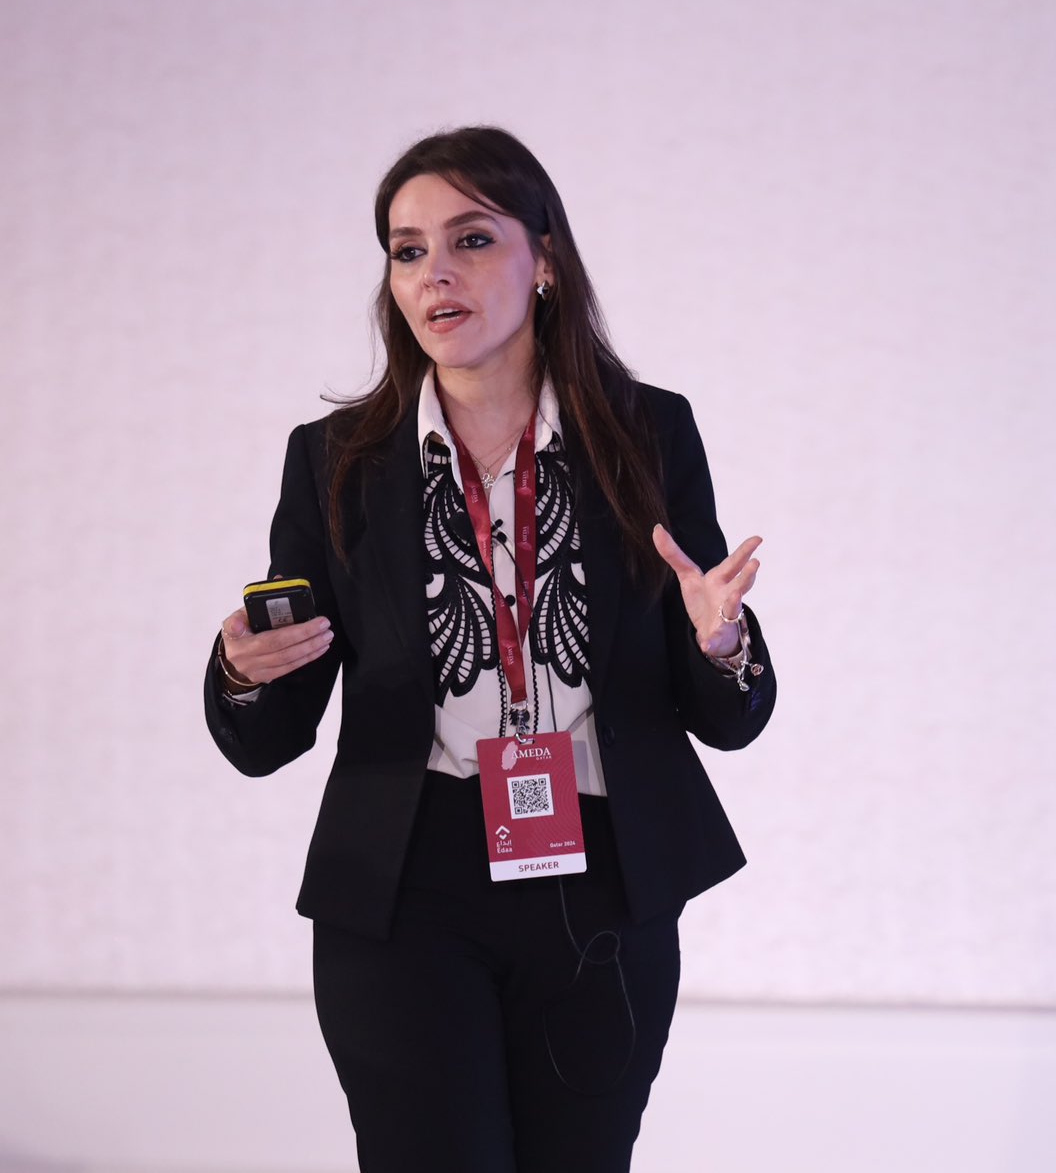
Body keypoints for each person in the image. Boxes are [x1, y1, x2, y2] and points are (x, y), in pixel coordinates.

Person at [200, 125, 776, 1172]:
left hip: (603, 870)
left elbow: (727, 716)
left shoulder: (646, 433)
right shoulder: (336, 459)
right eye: (407, 249)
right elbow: (268, 736)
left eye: (470, 239)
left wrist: (719, 639)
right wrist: (244, 674)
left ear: (544, 259)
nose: (435, 273)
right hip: (404, 880)